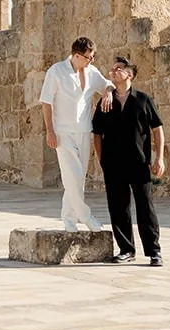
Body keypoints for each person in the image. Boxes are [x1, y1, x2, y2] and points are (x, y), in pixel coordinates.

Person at [90, 57, 165, 266]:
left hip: (139, 162)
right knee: (118, 206)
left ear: (129, 74)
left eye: (119, 69)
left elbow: (157, 129)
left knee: (145, 207)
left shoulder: (143, 100)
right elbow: (97, 133)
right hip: (113, 163)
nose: (113, 72)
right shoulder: (105, 101)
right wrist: (101, 158)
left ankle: (154, 251)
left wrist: (159, 158)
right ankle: (126, 249)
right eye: (112, 69)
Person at [39, 37, 116, 232]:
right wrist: (50, 131)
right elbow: (46, 102)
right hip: (63, 133)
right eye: (88, 57)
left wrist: (107, 92)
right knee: (71, 175)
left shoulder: (91, 72)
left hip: (83, 131)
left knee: (78, 178)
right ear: (76, 55)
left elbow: (107, 84)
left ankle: (68, 219)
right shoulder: (56, 71)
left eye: (93, 57)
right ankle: (86, 216)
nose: (91, 61)